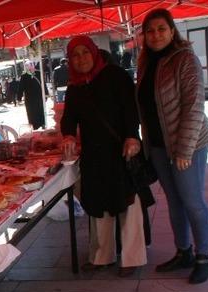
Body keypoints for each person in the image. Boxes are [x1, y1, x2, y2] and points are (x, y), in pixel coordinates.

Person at [137, 8, 208, 284]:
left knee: (192, 201)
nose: (155, 35)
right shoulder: (146, 63)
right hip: (159, 146)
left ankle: (203, 257)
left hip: (188, 145)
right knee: (174, 201)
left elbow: (194, 106)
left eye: (161, 29)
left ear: (172, 31)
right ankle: (184, 252)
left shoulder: (185, 59)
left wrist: (184, 150)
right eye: (150, 31)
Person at [61, 36, 146, 277]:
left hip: (122, 150)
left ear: (94, 52)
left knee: (128, 203)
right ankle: (102, 257)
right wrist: (68, 135)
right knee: (99, 205)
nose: (81, 59)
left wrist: (132, 136)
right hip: (94, 154)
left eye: (85, 53)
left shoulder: (115, 75)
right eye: (75, 55)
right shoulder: (74, 87)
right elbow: (69, 118)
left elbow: (131, 109)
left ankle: (132, 258)